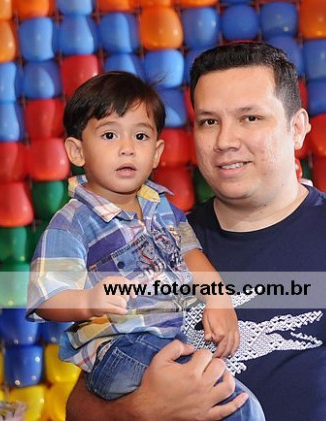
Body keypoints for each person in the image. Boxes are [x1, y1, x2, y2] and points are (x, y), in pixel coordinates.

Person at [65, 43, 326, 420]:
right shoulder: (152, 243)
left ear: (297, 128)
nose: (225, 140)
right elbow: (81, 403)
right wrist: (140, 410)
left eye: (250, 118)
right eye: (209, 121)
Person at [26, 71, 264, 420]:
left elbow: (190, 254)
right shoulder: (73, 222)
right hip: (120, 350)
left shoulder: (164, 209)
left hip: (166, 341)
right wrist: (87, 300)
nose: (127, 148)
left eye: (140, 136)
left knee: (218, 399)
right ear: (77, 151)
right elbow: (46, 298)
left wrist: (218, 299)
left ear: (156, 152)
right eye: (109, 135)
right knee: (233, 403)